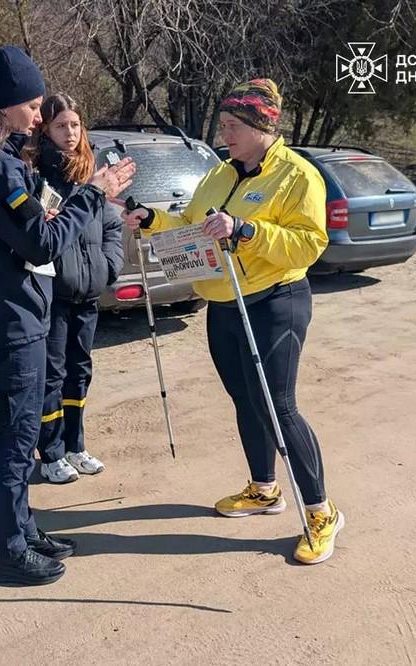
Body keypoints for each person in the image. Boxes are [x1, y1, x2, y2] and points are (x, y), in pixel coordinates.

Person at [123, 78, 343, 565]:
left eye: (232, 126)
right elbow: (192, 224)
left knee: (277, 405)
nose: (225, 134)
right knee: (244, 399)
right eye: (222, 125)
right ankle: (264, 489)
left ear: (262, 125)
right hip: (224, 303)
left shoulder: (297, 175)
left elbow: (309, 243)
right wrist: (152, 219)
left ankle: (321, 511)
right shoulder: (220, 174)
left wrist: (246, 229)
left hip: (275, 300)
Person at [0, 46, 135, 585]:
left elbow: (23, 233)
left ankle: (22, 529)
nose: (39, 116)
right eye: (32, 105)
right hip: (10, 319)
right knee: (17, 440)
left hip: (7, 311)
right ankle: (7, 552)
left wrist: (54, 211)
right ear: (5, 108)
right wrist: (92, 196)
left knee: (18, 433)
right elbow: (43, 245)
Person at [30, 93, 124, 484]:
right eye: (60, 126)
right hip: (54, 298)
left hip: (88, 295)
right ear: (45, 131)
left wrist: (109, 268)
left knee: (79, 372)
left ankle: (75, 445)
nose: (70, 133)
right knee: (52, 376)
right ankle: (50, 452)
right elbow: (34, 239)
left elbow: (112, 229)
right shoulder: (35, 177)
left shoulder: (93, 177)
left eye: (75, 125)